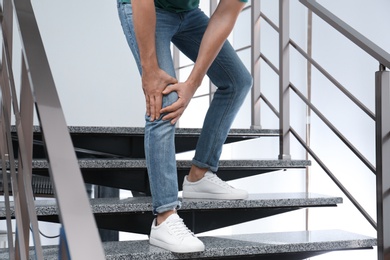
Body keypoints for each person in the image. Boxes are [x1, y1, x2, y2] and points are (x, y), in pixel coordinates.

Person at [117, 0, 252, 253]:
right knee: (163, 98)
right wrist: (150, 71)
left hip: (187, 12)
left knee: (237, 81)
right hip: (147, 7)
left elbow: (226, 13)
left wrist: (193, 83)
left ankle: (199, 175)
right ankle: (164, 217)